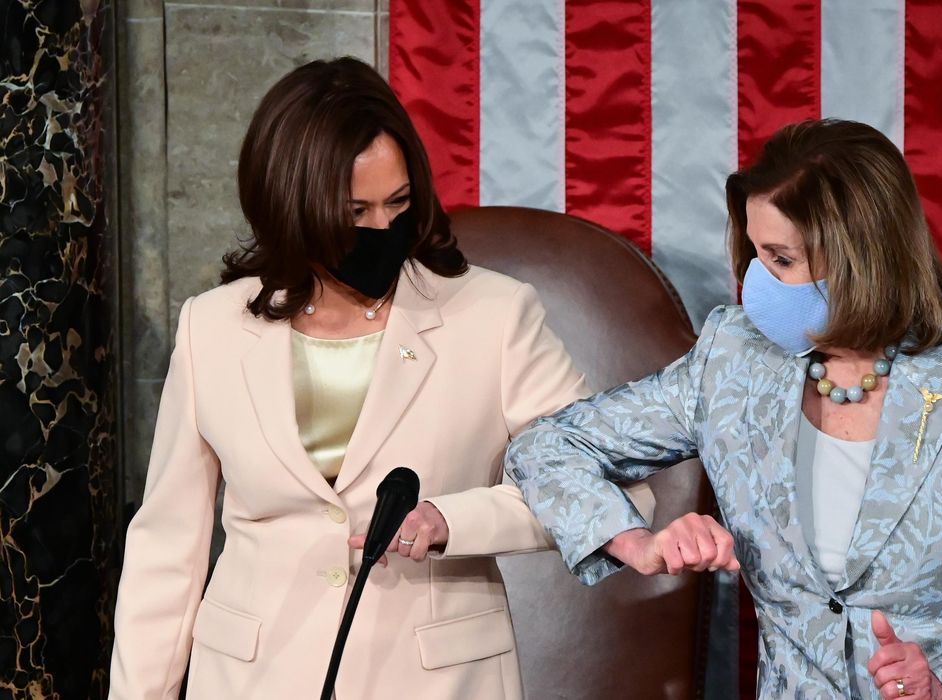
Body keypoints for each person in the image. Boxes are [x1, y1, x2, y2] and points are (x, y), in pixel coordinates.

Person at [109, 56, 650, 699]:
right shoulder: (212, 326)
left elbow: (614, 490)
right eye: (353, 212)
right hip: (250, 678)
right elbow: (167, 547)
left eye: (396, 204)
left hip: (434, 681)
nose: (380, 231)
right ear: (290, 205)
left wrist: (454, 520)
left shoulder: (495, 315)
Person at [506, 119, 942, 699]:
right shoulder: (733, 359)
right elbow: (547, 445)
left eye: (782, 260)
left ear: (860, 258)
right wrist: (634, 540)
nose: (757, 281)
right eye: (755, 254)